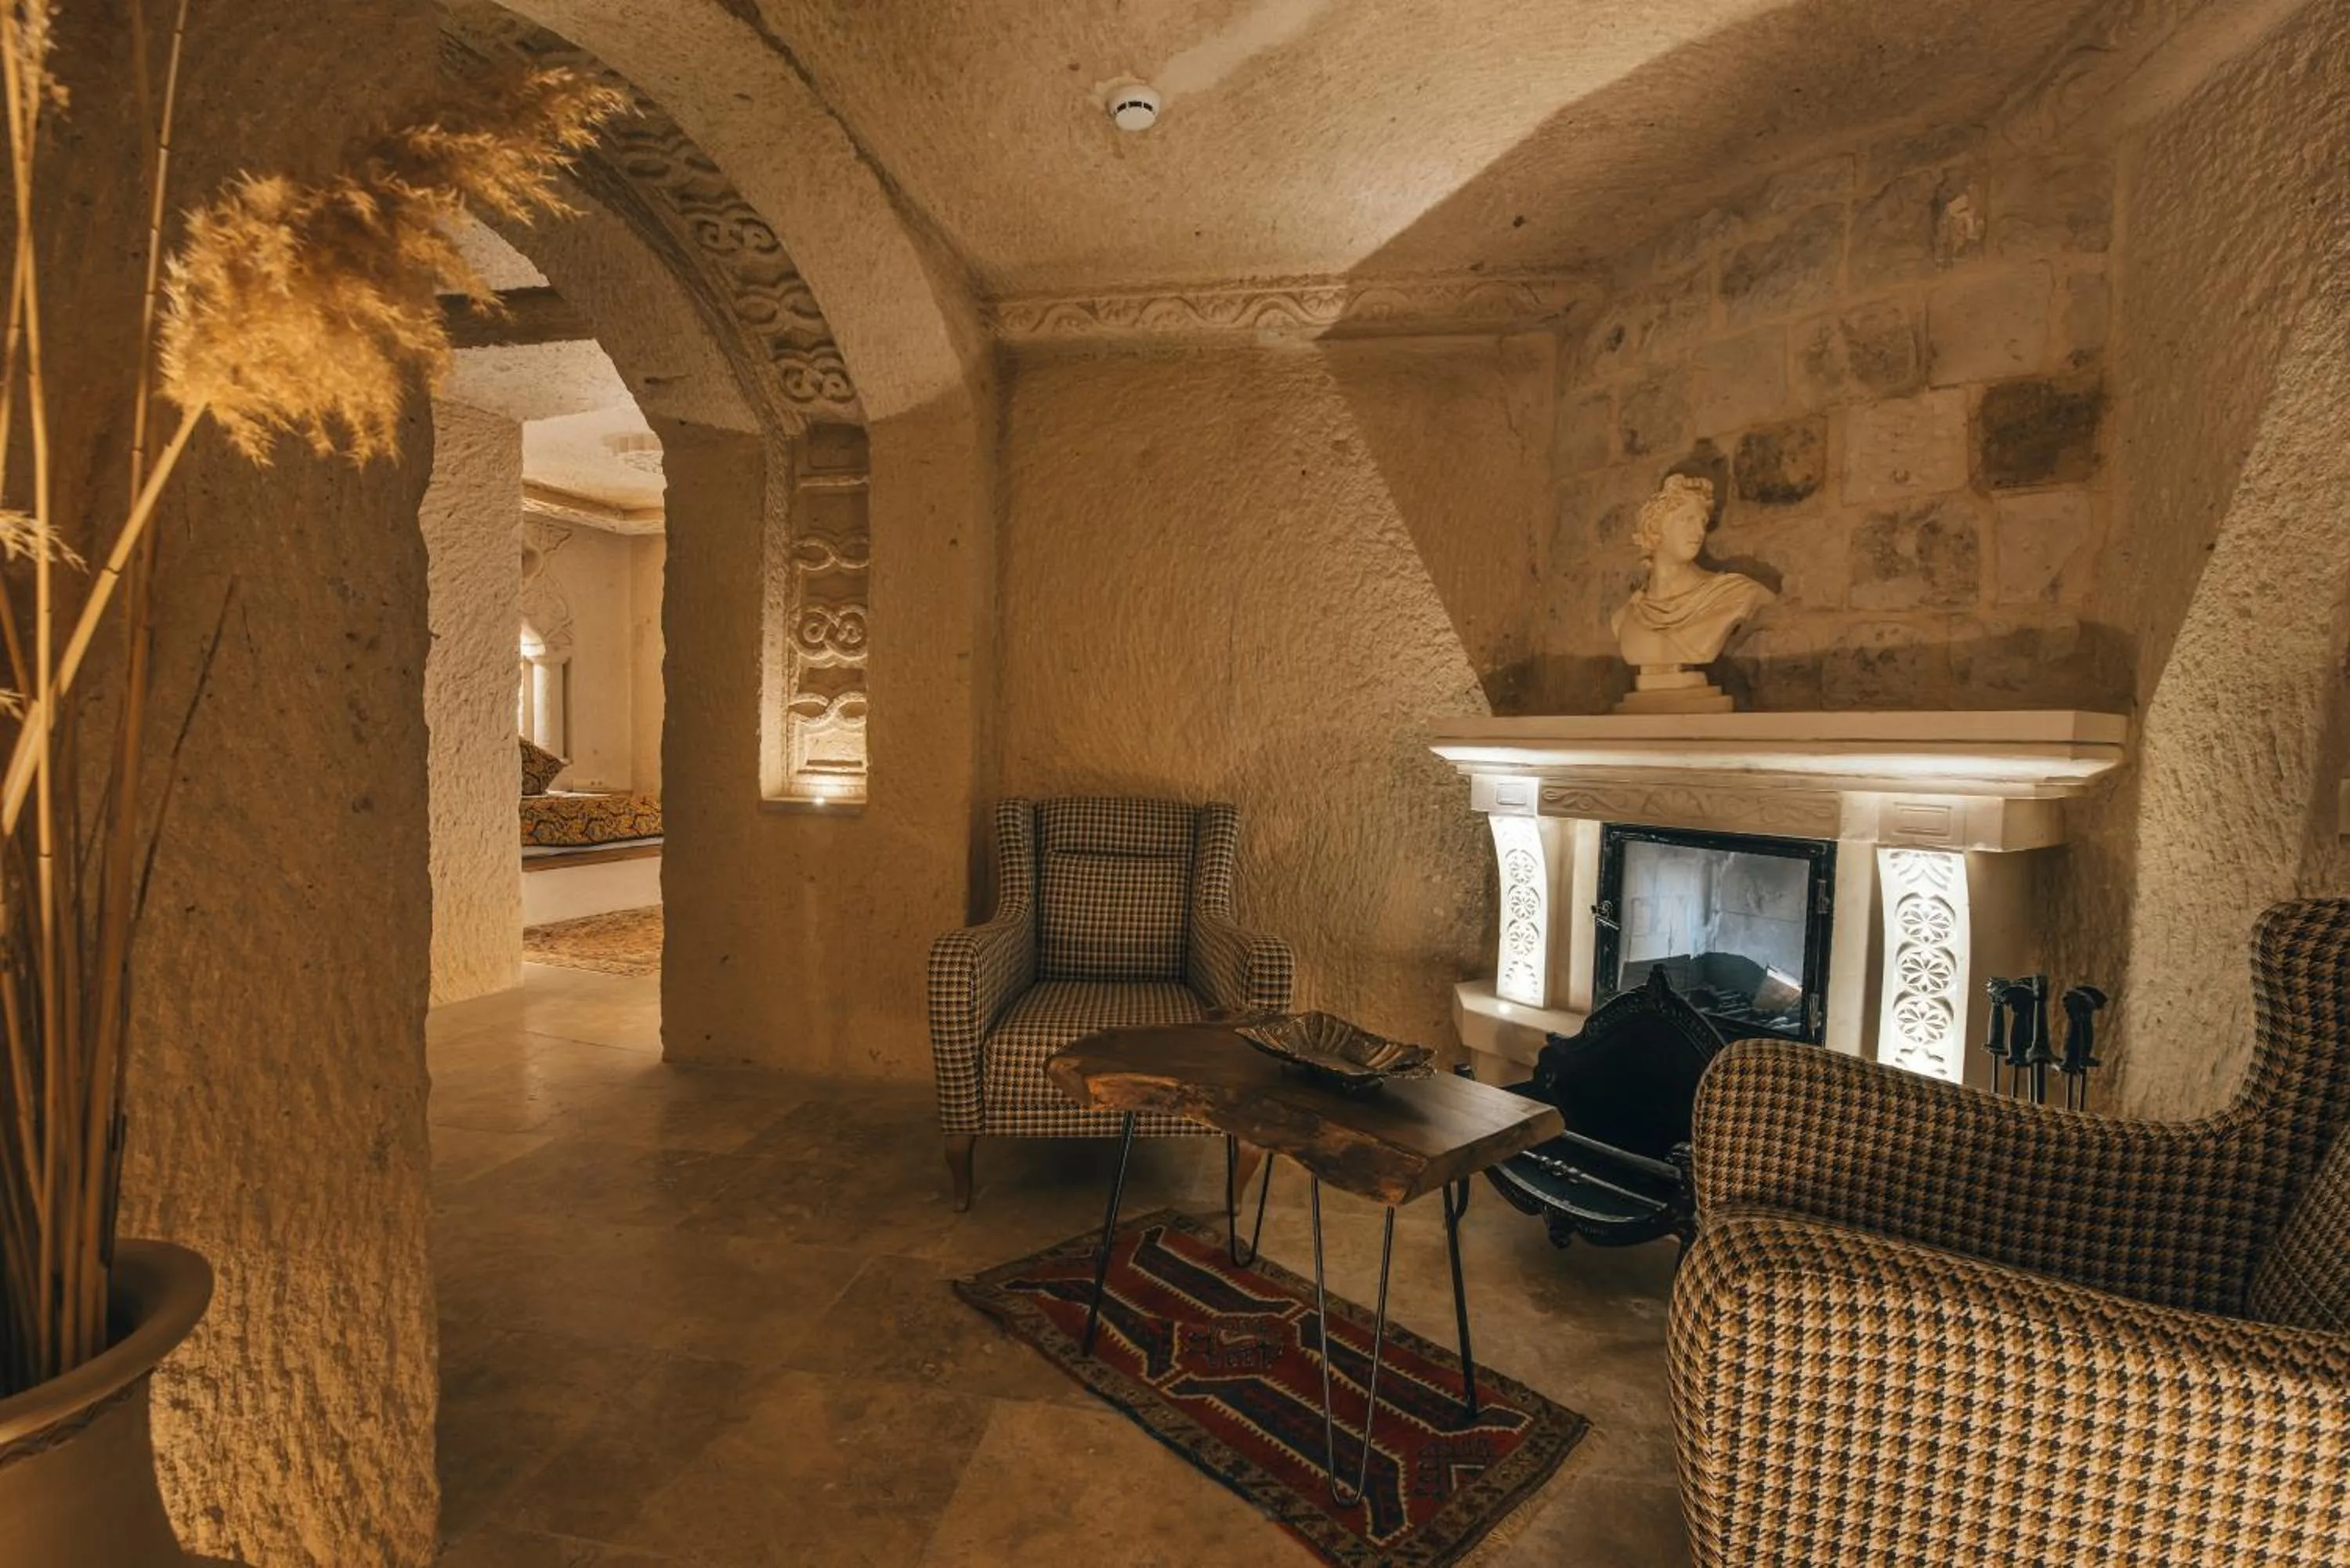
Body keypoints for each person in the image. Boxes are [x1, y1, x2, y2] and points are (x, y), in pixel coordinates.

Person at [1610, 474, 1773, 673]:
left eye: (1703, 522)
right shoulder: (1624, 617)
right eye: (1687, 520)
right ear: (1656, 526)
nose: (1699, 532)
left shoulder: (1734, 594)